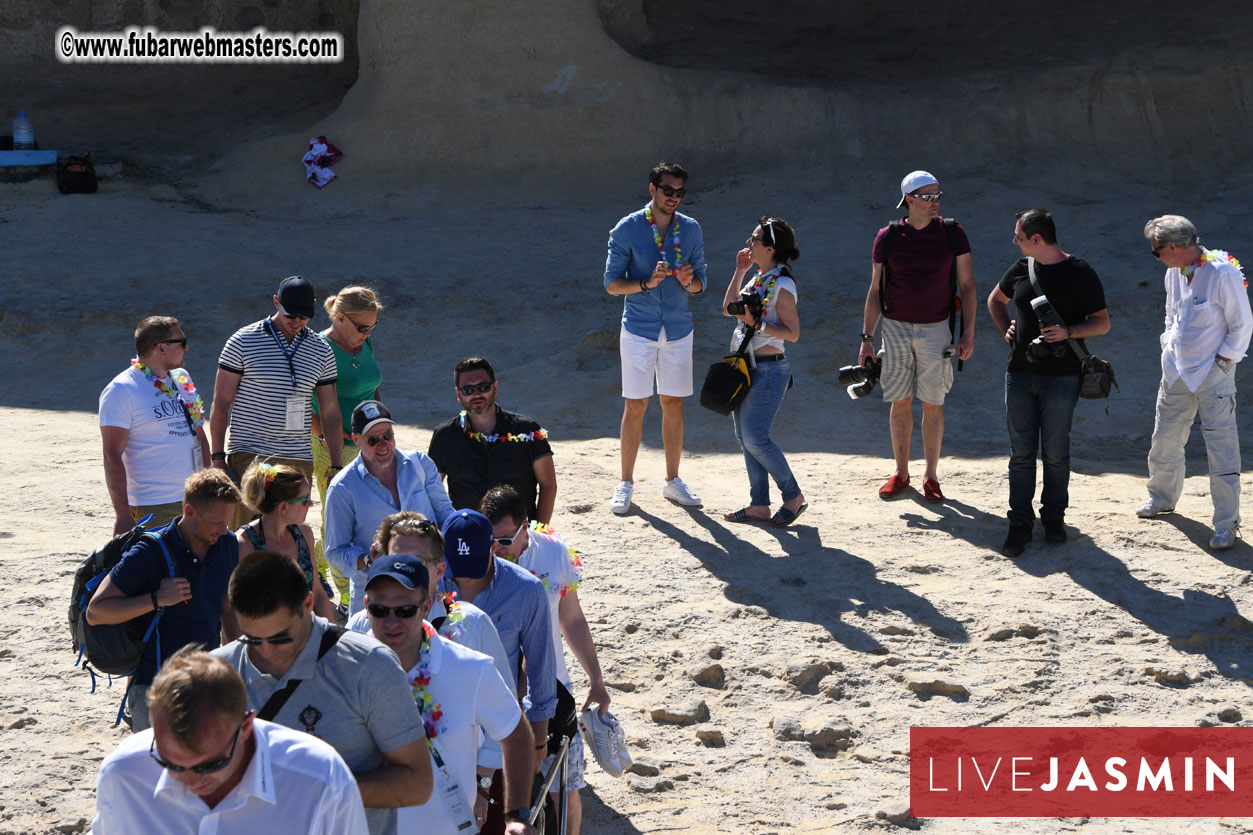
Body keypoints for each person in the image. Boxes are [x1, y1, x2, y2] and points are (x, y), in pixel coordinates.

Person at [211, 550, 433, 835]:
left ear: (307, 604)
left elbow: (418, 784)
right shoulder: (215, 674)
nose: (266, 651)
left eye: (280, 636)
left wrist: (318, 788)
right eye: (252, 639)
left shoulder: (368, 665)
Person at [93, 647, 368, 834]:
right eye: (171, 763)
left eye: (208, 764)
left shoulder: (320, 779)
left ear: (246, 725)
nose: (191, 782)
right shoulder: (123, 775)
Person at [360, 555, 540, 835]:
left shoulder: (470, 668)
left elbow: (516, 735)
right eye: (380, 610)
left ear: (425, 607)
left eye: (405, 609)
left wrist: (516, 814)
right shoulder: (346, 670)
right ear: (366, 608)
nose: (391, 621)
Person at [481, 486, 609, 835]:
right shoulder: (474, 561)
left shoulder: (555, 552)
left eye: (505, 541)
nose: (496, 549)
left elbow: (572, 618)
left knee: (565, 791)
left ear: (526, 528)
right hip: (496, 694)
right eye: (490, 539)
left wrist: (596, 679)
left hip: (552, 690)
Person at [986, 209, 1110, 557]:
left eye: (1019, 236)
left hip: (1062, 378)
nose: (1015, 241)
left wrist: (1068, 331)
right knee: (1021, 454)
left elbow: (1102, 323)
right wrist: (1007, 331)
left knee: (1055, 454)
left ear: (1036, 239)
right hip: (1020, 373)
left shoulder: (1080, 272)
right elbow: (995, 301)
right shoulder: (1021, 268)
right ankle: (1020, 523)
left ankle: (1053, 518)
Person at [86, 469, 243, 732]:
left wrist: (237, 664)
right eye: (217, 522)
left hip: (206, 683)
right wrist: (156, 598)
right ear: (190, 512)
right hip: (154, 688)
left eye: (227, 522)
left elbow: (226, 605)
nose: (224, 530)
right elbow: (96, 611)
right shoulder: (149, 551)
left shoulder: (227, 544)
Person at [859, 170, 976, 503]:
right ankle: (901, 472)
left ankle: (931, 476)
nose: (935, 202)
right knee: (899, 401)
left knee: (933, 403)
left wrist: (967, 333)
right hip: (894, 328)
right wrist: (866, 338)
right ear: (909, 200)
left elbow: (967, 286)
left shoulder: (953, 233)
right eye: (928, 197)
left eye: (938, 196)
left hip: (937, 328)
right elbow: (875, 289)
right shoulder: (889, 236)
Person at [1137, 215, 1252, 550]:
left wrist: (1222, 362)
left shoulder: (1221, 271)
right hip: (1175, 370)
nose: (1155, 257)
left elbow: (1242, 326)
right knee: (1165, 438)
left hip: (1212, 374)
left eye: (1155, 251)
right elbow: (1172, 313)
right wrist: (1167, 345)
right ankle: (1162, 498)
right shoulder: (1174, 271)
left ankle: (1227, 524)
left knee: (1221, 447)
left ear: (1173, 247)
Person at [437, 510, 556, 832]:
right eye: (455, 567)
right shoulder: (428, 583)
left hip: (499, 733)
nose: (464, 578)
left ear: (493, 547)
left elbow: (540, 666)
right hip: (442, 730)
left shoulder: (526, 590)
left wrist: (538, 741)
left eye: (472, 566)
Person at [603, 160, 708, 514]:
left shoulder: (690, 230)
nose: (673, 198)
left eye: (679, 192)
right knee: (635, 405)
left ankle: (672, 481)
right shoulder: (627, 229)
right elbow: (613, 284)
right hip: (639, 329)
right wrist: (647, 283)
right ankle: (626, 483)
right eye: (667, 191)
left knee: (673, 404)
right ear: (652, 189)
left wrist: (687, 281)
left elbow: (700, 284)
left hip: (678, 328)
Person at [208, 275, 343, 525]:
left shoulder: (321, 349)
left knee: (290, 536)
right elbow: (221, 402)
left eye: (304, 316)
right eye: (290, 314)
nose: (297, 322)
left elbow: (330, 411)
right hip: (250, 455)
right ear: (275, 302)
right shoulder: (243, 341)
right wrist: (217, 456)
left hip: (297, 457)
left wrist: (336, 465)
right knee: (248, 535)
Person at [325, 400, 454, 612]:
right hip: (376, 596)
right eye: (373, 440)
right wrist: (367, 560)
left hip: (431, 588)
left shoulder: (421, 463)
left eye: (388, 436)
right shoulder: (342, 488)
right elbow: (334, 552)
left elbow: (445, 515)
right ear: (355, 440)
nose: (383, 444)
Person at [719, 216, 807, 527]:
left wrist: (756, 323)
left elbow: (793, 333)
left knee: (756, 439)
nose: (748, 243)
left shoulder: (782, 284)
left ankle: (793, 496)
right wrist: (740, 271)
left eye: (754, 239)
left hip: (769, 371)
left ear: (769, 248)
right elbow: (728, 307)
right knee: (745, 438)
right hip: (747, 368)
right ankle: (759, 504)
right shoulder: (758, 279)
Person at [99, 315, 211, 534]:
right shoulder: (122, 390)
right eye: (182, 342)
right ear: (161, 348)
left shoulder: (181, 378)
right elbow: (111, 456)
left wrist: (209, 485)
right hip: (154, 504)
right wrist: (122, 516)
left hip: (195, 497)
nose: (187, 348)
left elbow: (199, 434)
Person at [312, 286, 384, 610]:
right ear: (339, 318)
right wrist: (339, 440)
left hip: (369, 440)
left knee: (371, 509)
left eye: (372, 326)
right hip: (332, 445)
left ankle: (316, 554)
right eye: (362, 327)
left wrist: (380, 424)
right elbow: (307, 409)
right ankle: (342, 595)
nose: (368, 333)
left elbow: (373, 385)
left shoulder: (364, 340)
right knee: (338, 518)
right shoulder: (318, 347)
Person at [428, 357, 557, 524]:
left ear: (495, 388)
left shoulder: (527, 430)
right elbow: (432, 489)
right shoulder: (445, 435)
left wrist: (540, 533)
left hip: (518, 539)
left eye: (483, 387)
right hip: (467, 536)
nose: (476, 394)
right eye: (467, 390)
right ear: (458, 394)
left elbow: (548, 485)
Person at [236, 460, 335, 620]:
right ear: (283, 507)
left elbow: (317, 593)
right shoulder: (243, 544)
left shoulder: (305, 533)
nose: (310, 504)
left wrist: (333, 639)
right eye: (305, 500)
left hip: (305, 635)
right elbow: (235, 610)